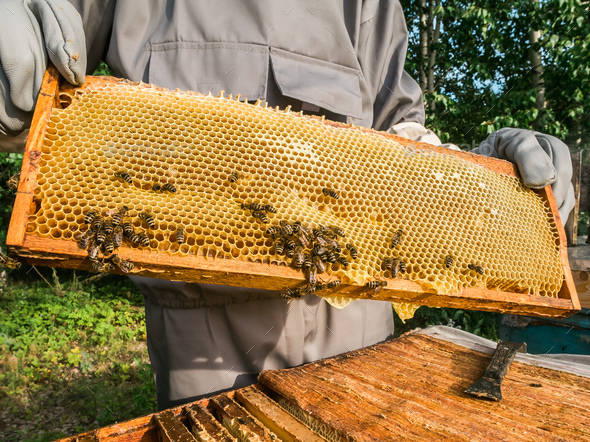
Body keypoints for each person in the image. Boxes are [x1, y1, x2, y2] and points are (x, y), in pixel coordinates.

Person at [0, 0, 575, 410]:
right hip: (202, 343)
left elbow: (405, 149)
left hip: (358, 322)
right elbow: (46, 48)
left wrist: (493, 182)